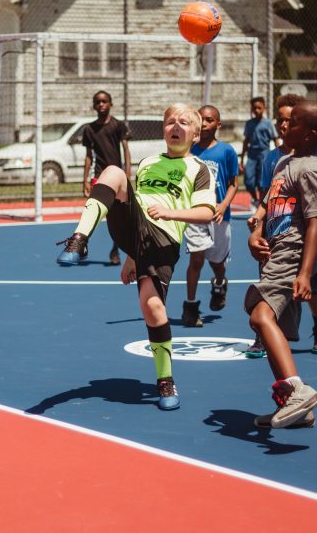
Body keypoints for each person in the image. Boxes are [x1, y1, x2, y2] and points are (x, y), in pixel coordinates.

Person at [56, 103, 216, 411]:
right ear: (163, 129)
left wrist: (170, 212)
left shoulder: (199, 169)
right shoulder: (148, 163)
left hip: (164, 240)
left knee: (152, 308)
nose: (175, 126)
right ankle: (79, 239)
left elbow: (206, 212)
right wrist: (131, 253)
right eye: (170, 121)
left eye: (184, 122)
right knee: (114, 171)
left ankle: (165, 380)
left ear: (196, 135)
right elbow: (136, 203)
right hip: (136, 229)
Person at [244, 100, 317, 429]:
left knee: (260, 316)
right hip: (276, 251)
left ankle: (297, 390)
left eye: (293, 122)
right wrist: (256, 233)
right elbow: (268, 206)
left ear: (309, 135)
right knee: (273, 330)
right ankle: (297, 410)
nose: (284, 126)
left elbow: (315, 224)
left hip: (292, 253)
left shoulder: (309, 169)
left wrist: (306, 273)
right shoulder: (284, 162)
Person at [181, 105, 239, 327]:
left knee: (217, 262)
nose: (204, 124)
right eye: (201, 119)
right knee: (196, 260)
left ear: (218, 125)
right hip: (196, 214)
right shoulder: (188, 150)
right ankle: (190, 307)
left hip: (219, 216)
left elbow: (234, 183)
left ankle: (220, 283)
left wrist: (223, 205)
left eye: (209, 120)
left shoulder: (226, 151)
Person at [81, 90, 132, 265]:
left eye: (104, 101)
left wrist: (127, 173)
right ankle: (82, 242)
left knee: (116, 217)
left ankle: (115, 249)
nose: (101, 104)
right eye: (98, 102)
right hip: (99, 176)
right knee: (94, 211)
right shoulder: (89, 129)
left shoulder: (118, 125)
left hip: (116, 177)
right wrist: (85, 180)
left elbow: (126, 149)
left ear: (111, 104)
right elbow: (88, 156)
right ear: (94, 106)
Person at [240, 96, 278, 208]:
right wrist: (241, 159)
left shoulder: (268, 123)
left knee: (262, 182)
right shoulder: (249, 123)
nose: (256, 110)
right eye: (254, 108)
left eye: (259, 108)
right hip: (252, 155)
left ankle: (262, 204)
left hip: (264, 154)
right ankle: (255, 199)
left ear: (264, 108)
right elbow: (246, 141)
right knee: (248, 181)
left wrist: (278, 157)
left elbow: (275, 139)